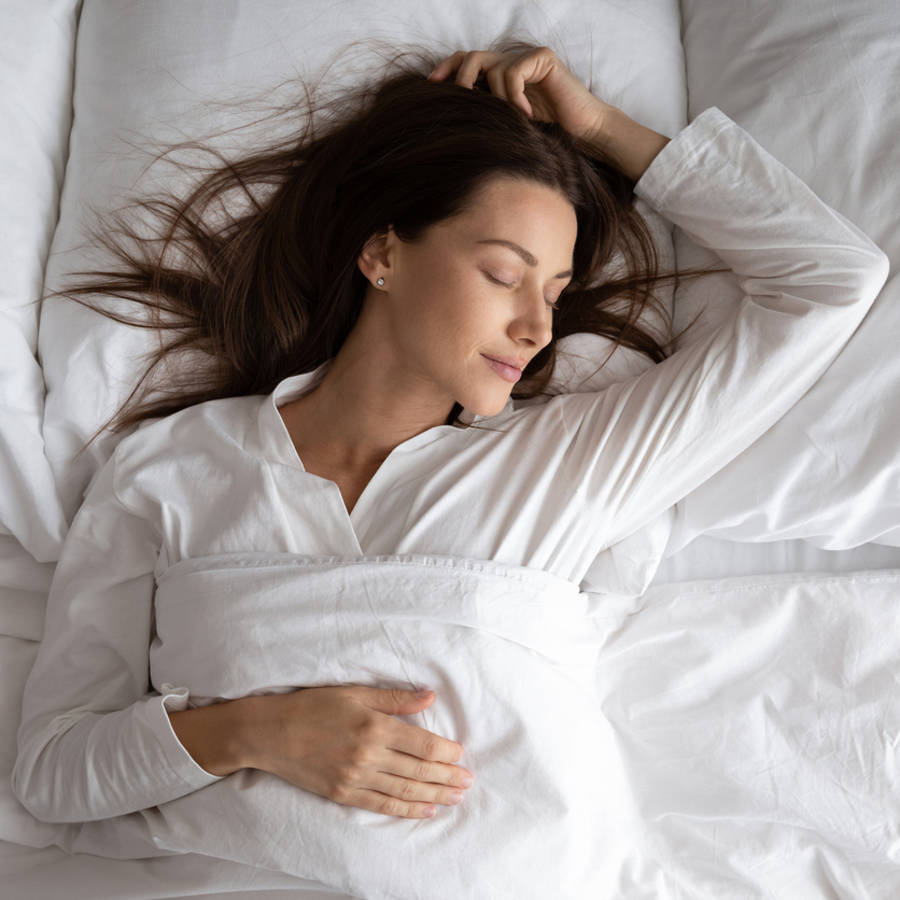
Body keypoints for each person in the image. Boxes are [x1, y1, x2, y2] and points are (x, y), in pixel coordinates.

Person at [12, 43, 888, 845]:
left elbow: (829, 278)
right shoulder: (171, 468)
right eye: (503, 274)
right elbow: (50, 770)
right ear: (384, 254)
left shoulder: (569, 464)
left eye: (555, 289)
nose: (537, 325)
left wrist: (600, 127)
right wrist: (254, 731)